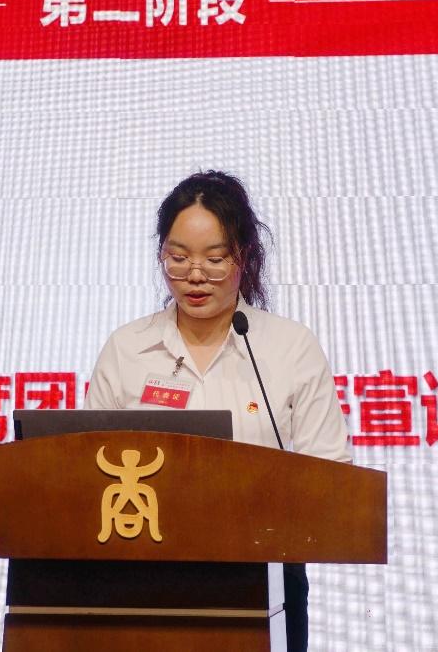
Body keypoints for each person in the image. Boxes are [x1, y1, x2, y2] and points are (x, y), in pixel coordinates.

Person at [83, 170, 352, 652]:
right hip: (142, 579)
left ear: (244, 256)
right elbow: (84, 471)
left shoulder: (288, 347)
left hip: (264, 578)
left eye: (214, 258)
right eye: (178, 257)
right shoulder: (128, 348)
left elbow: (331, 475)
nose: (195, 274)